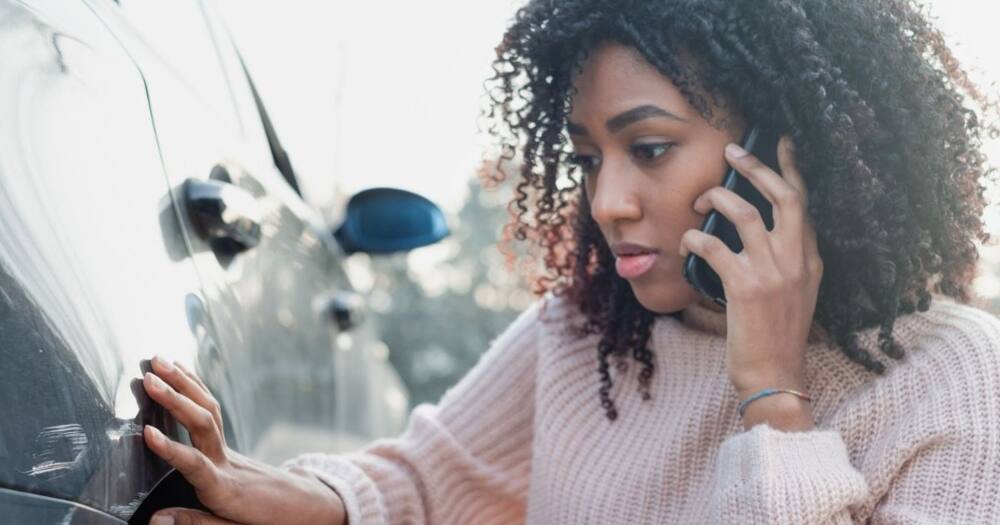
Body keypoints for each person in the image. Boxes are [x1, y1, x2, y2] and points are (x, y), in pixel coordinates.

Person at [141, 0, 1000, 523]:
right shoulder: (587, 331)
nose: (607, 201)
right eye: (589, 158)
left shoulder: (950, 376)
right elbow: (427, 484)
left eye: (652, 149)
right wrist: (264, 491)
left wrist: (772, 396)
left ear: (790, 153)